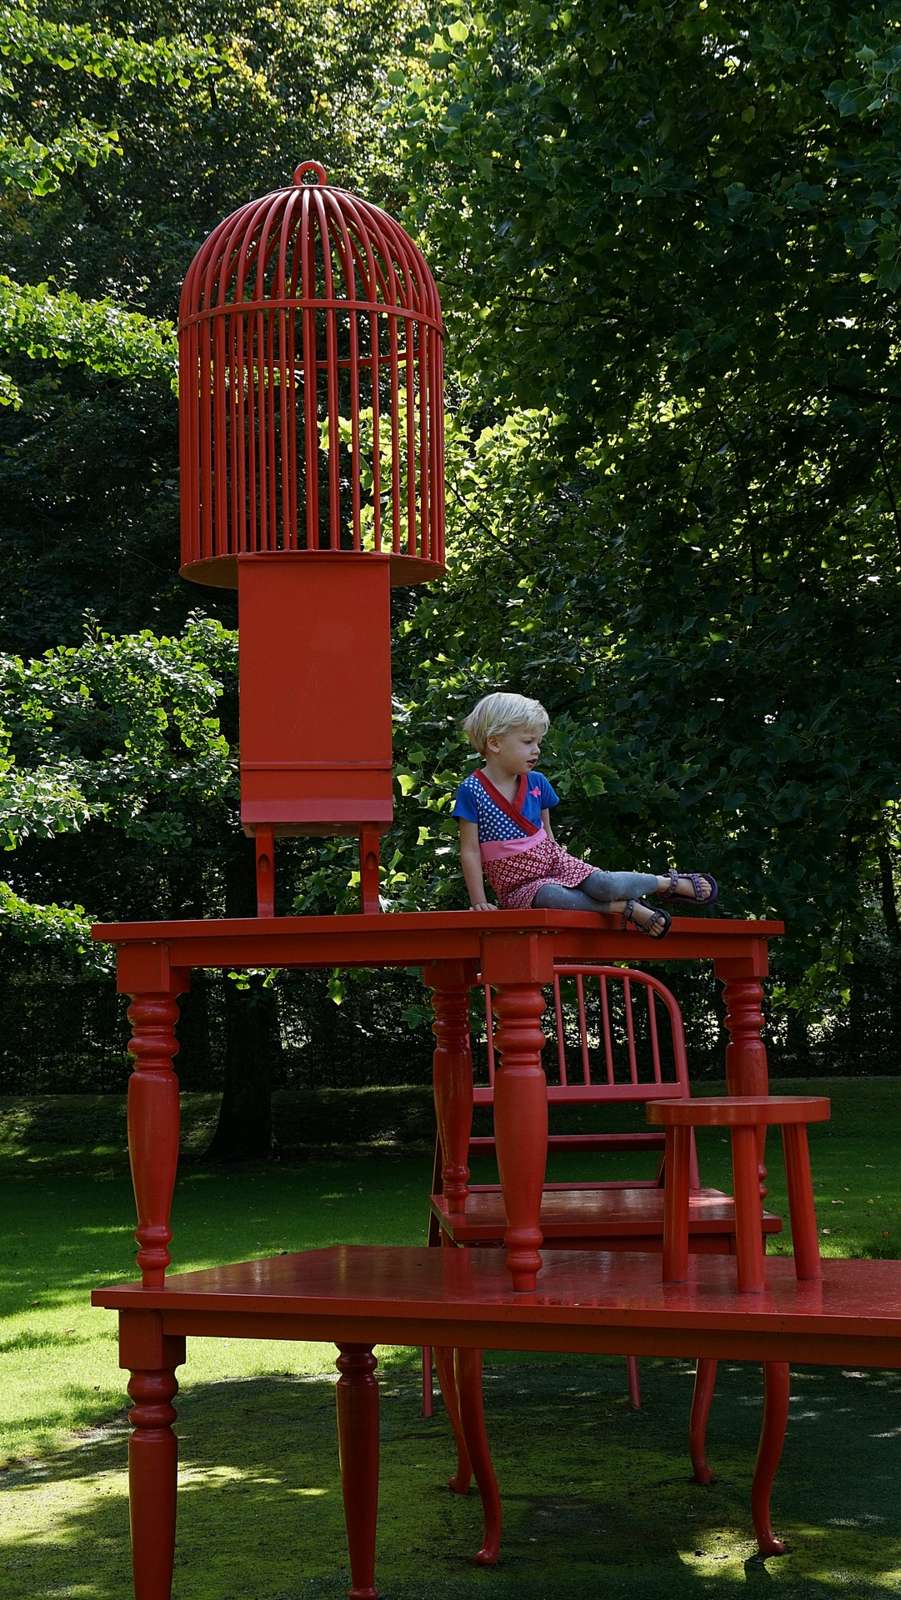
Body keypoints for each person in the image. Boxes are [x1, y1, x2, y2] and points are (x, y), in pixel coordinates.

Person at [452, 692, 717, 938]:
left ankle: (667, 883)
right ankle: (625, 908)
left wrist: (561, 865)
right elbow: (470, 851)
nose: (537, 750)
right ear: (495, 743)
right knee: (552, 898)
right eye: (528, 742)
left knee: (604, 884)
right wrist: (479, 901)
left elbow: (547, 835)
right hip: (519, 886)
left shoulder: (537, 782)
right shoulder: (472, 790)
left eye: (538, 742)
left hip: (553, 862)